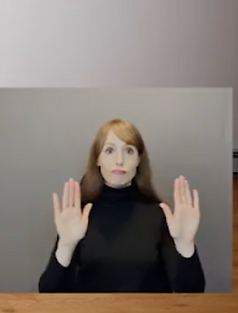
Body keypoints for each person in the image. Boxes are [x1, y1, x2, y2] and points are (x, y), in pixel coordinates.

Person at [38, 119, 205, 293]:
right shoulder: (78, 216)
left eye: (129, 151)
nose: (119, 160)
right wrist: (65, 246)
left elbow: (193, 293)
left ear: (138, 160)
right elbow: (48, 293)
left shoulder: (160, 215)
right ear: (98, 160)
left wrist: (186, 247)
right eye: (110, 150)